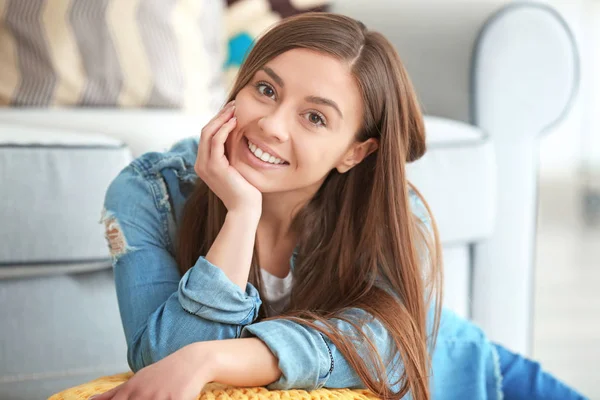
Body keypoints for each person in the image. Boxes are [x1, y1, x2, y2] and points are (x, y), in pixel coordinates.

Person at [94, 12, 587, 400]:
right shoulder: (149, 193)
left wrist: (212, 359)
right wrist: (241, 214)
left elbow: (379, 351)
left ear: (355, 151)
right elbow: (166, 364)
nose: (272, 125)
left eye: (314, 117)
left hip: (463, 374)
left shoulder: (389, 212)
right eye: (265, 90)